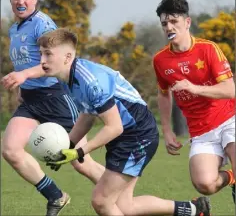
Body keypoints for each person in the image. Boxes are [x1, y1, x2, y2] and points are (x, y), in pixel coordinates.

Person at [38, 27, 211, 216]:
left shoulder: (90, 81)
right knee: (124, 206)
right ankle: (196, 210)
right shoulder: (66, 77)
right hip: (127, 135)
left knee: (102, 201)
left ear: (67, 56)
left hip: (137, 135)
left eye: (48, 54)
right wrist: (68, 145)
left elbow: (114, 127)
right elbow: (87, 115)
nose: (42, 61)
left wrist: (79, 151)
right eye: (41, 54)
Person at [1, 0, 104, 216]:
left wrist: (25, 74)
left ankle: (124, 198)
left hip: (55, 99)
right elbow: (26, 61)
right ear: (11, 0)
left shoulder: (42, 24)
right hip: (30, 101)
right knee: (10, 150)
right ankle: (56, 196)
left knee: (81, 162)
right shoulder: (14, 28)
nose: (21, 2)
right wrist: (22, 85)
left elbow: (53, 63)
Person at [152, 0, 235, 204]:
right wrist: (167, 129)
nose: (169, 27)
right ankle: (232, 179)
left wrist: (193, 88)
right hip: (200, 131)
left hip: (229, 120)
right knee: (205, 184)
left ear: (187, 23)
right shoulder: (160, 60)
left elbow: (230, 90)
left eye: (174, 22)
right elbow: (163, 93)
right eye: (164, 23)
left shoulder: (208, 49)